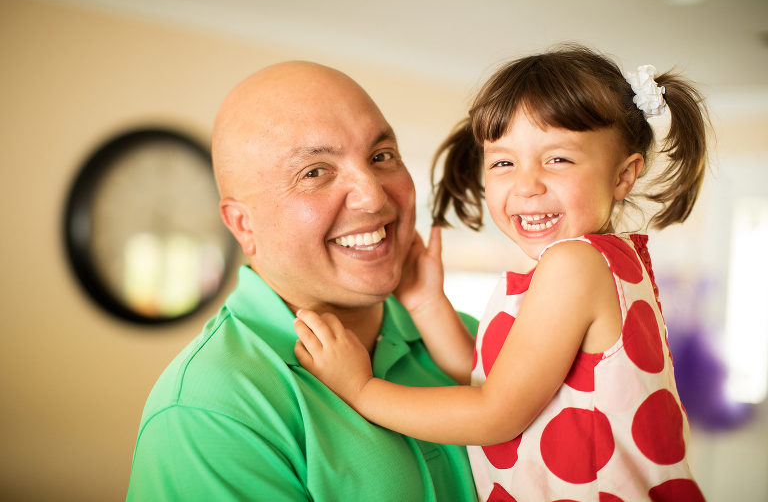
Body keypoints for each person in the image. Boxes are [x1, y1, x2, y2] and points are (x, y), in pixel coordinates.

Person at [294, 45, 709, 501]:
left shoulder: (576, 265)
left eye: (558, 159)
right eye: (504, 163)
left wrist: (360, 388)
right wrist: (426, 302)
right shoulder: (594, 264)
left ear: (622, 176)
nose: (526, 185)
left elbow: (495, 413)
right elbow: (490, 380)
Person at [126, 61, 479, 501]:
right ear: (243, 225)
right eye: (315, 172)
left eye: (381, 156)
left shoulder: (473, 340)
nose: (373, 196)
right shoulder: (211, 409)